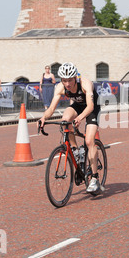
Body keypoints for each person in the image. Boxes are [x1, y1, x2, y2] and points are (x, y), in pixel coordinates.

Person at [38, 62, 102, 194]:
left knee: (89, 141)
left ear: (75, 78)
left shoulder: (85, 83)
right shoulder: (60, 87)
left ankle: (95, 178)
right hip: (78, 106)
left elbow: (89, 107)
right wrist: (44, 118)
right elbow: (51, 108)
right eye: (64, 80)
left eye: (70, 80)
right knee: (65, 120)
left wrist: (80, 118)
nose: (67, 84)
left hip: (92, 108)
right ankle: (75, 150)